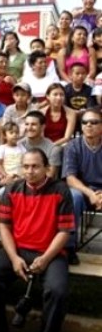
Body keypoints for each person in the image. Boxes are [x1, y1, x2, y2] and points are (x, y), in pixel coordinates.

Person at [0, 149, 75, 332]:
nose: (30, 171)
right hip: (18, 248)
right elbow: (4, 225)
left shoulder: (61, 191)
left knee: (57, 291)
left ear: (46, 168)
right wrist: (13, 257)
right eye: (26, 166)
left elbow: (64, 231)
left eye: (35, 166)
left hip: (51, 252)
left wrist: (46, 258)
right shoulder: (11, 189)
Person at [62, 107, 102, 263]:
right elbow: (70, 178)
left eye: (94, 122)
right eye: (85, 122)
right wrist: (91, 194)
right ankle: (69, 248)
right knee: (73, 196)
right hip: (83, 191)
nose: (89, 125)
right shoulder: (73, 146)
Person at [19, 111, 61, 178]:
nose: (29, 128)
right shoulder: (19, 145)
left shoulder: (53, 149)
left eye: (33, 124)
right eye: (27, 124)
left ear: (42, 127)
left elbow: (50, 175)